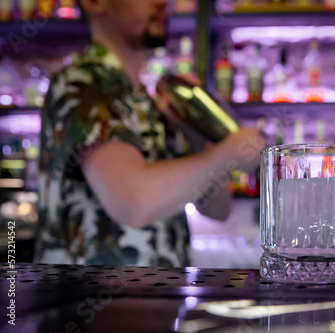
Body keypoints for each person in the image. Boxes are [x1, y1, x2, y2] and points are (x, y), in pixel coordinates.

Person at [34, 0, 264, 267]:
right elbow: (135, 202)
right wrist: (228, 152)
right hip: (89, 303)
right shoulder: (81, 83)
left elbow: (217, 208)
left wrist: (197, 136)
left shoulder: (149, 101)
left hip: (162, 301)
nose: (161, 2)